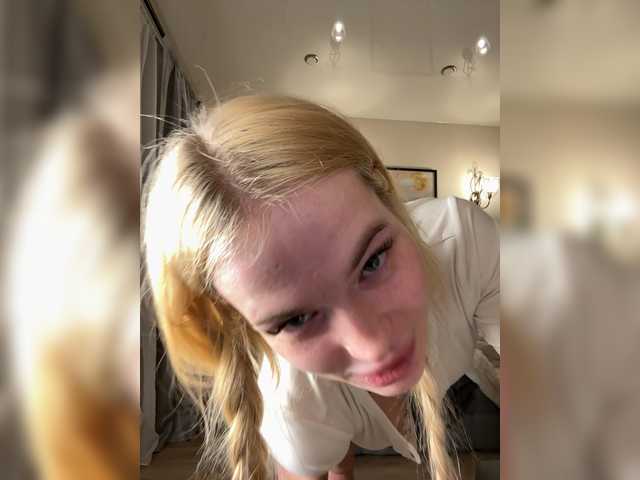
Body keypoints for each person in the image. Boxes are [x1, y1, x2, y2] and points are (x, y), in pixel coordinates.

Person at [142, 94, 499, 480]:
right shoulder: (295, 405)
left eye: (373, 262)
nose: (374, 346)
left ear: (383, 190)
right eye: (296, 319)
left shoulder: (465, 240)